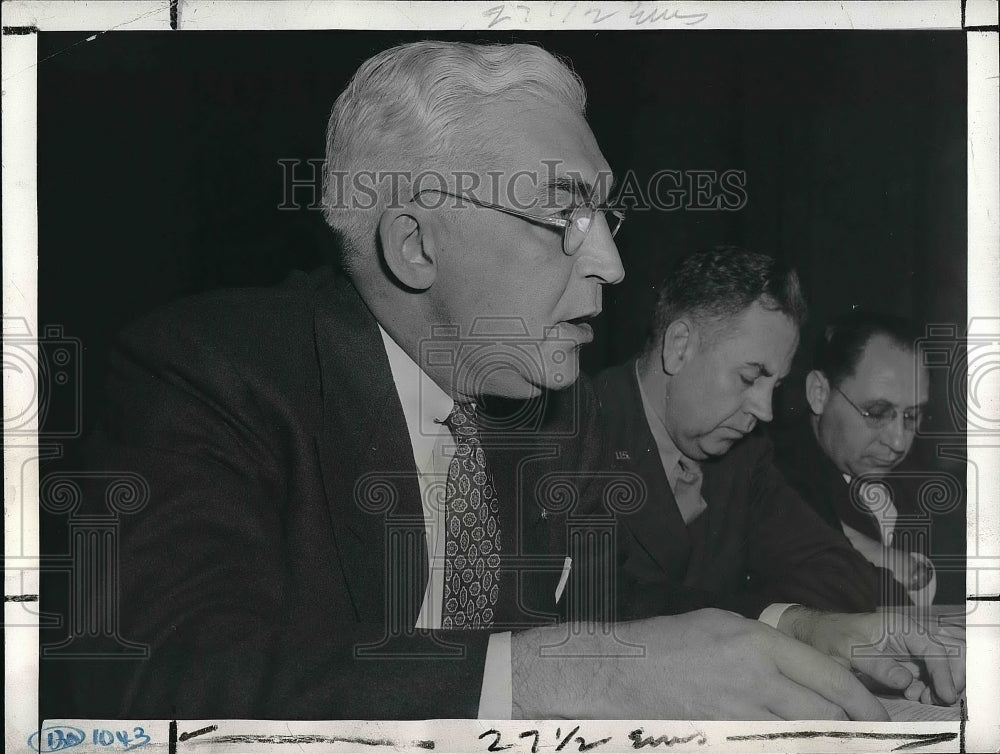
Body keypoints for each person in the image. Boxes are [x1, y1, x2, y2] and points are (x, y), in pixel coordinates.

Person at [75, 41, 958, 721]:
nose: (611, 264)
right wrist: (573, 677)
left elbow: (627, 605)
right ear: (415, 243)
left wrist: (799, 629)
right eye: (562, 211)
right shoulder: (210, 372)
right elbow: (157, 685)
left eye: (604, 215)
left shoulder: (541, 414)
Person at [593, 246, 963, 707]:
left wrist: (796, 620)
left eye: (775, 384)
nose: (765, 410)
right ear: (679, 346)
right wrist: (788, 621)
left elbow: (838, 574)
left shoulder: (744, 455)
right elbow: (599, 609)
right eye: (750, 378)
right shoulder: (573, 432)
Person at [772, 311, 940, 607]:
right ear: (819, 393)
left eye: (912, 416)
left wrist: (894, 562)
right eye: (876, 413)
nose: (899, 442)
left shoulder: (928, 479)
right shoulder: (773, 474)